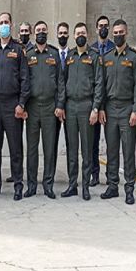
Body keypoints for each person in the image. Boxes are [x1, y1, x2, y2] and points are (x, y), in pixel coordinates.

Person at [58, 22, 104, 201]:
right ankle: (72, 185)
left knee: (86, 149)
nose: (80, 36)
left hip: (86, 107)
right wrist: (61, 105)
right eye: (77, 33)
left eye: (83, 32)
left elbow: (99, 83)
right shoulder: (69, 56)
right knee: (72, 148)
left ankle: (85, 186)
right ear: (73, 36)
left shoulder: (94, 56)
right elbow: (63, 82)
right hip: (70, 107)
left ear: (87, 34)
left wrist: (95, 108)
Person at [0, 12, 29, 200]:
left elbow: (25, 79)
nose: (4, 25)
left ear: (11, 25)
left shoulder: (18, 50)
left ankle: (18, 184)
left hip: (12, 105)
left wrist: (21, 104)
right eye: (1, 22)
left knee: (15, 147)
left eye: (6, 22)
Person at [100, 19, 136, 205]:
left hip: (127, 110)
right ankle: (112, 186)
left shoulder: (134, 58)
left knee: (128, 150)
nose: (118, 35)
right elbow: (101, 86)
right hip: (110, 108)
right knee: (111, 150)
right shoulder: (107, 57)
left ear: (126, 33)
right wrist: (101, 107)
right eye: (115, 33)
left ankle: (129, 188)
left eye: (121, 32)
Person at [24, 20, 64, 199]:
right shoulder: (28, 54)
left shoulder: (54, 54)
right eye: (38, 30)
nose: (40, 33)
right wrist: (22, 105)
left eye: (43, 30)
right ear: (33, 33)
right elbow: (23, 81)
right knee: (32, 149)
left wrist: (60, 105)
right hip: (32, 108)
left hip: (50, 108)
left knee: (49, 149)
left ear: (47, 33)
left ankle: (48, 185)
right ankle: (31, 185)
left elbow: (61, 82)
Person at [89, 15, 116, 186]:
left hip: (111, 103)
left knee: (112, 142)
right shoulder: (91, 49)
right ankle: (95, 174)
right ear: (96, 28)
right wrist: (96, 107)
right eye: (101, 26)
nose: (103, 28)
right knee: (93, 142)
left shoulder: (115, 48)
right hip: (95, 103)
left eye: (106, 25)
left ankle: (112, 174)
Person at [53, 22, 71, 179]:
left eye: (65, 33)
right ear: (56, 34)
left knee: (72, 144)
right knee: (52, 142)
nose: (63, 36)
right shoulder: (52, 55)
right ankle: (50, 176)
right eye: (60, 33)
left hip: (71, 106)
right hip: (55, 107)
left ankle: (74, 179)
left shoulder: (73, 55)